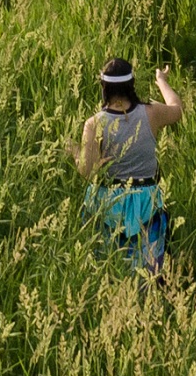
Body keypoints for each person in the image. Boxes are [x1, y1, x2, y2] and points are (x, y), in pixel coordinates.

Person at [78, 57, 183, 273]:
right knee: (149, 274)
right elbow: (177, 109)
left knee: (108, 270)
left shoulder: (94, 123)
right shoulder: (151, 113)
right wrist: (161, 81)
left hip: (108, 202)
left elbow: (87, 172)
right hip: (147, 202)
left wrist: (73, 152)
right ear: (131, 85)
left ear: (104, 87)